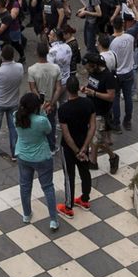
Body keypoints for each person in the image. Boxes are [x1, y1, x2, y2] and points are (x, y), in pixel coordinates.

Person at [13, 92, 59, 231]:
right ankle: (53, 220)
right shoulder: (41, 120)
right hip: (41, 157)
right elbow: (48, 130)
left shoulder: (16, 116)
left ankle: (26, 214)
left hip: (23, 156)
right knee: (48, 187)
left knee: (25, 186)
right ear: (35, 107)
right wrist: (43, 113)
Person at [56, 76, 96, 218]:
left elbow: (66, 134)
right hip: (84, 143)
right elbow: (92, 127)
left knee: (69, 176)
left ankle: (68, 207)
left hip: (68, 148)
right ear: (79, 88)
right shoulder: (88, 103)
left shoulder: (63, 109)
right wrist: (84, 148)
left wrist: (76, 151)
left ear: (67, 89)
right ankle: (85, 200)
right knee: (85, 172)